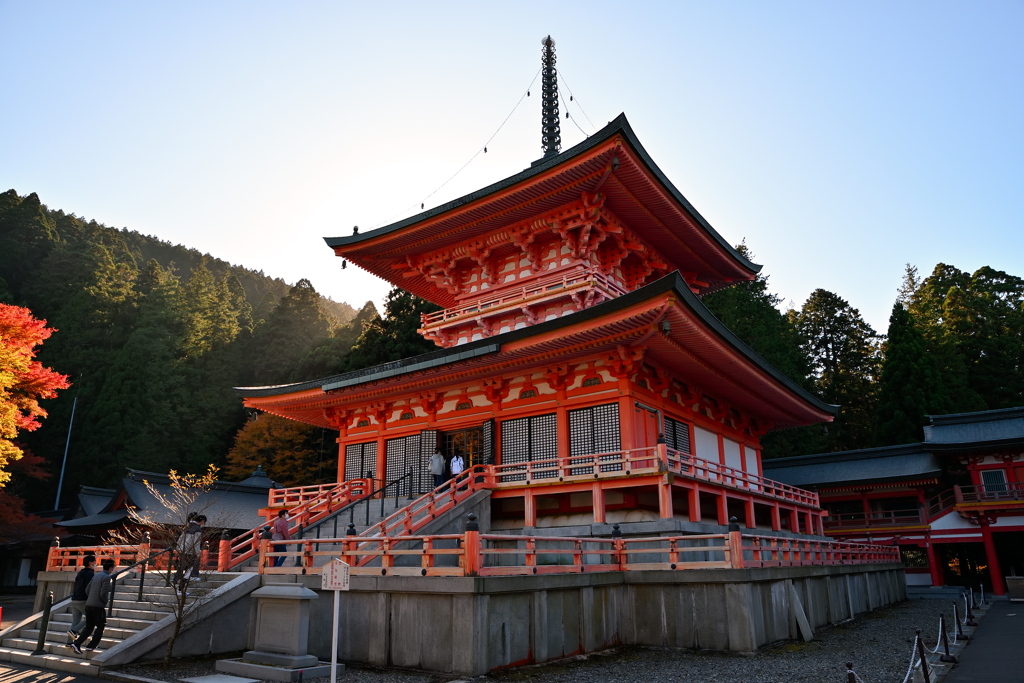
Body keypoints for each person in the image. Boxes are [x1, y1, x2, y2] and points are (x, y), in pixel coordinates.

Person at [70, 558, 114, 655]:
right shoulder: (107, 577)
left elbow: (87, 589)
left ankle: (77, 643)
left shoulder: (96, 576)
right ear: (111, 568)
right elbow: (103, 593)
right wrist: (104, 601)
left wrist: (91, 598)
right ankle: (92, 645)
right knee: (101, 625)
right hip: (98, 606)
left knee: (89, 626)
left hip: (89, 604)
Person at [67, 554, 95, 641]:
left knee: (75, 621)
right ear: (90, 563)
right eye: (94, 562)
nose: (95, 563)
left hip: (75, 598)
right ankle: (74, 631)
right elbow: (89, 588)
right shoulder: (90, 574)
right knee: (91, 618)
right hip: (83, 599)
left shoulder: (80, 573)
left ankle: (69, 642)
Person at [176, 514, 206, 591]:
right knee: (191, 567)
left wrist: (178, 548)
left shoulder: (187, 527)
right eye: (203, 522)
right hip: (190, 551)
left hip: (182, 550)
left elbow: (180, 539)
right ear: (202, 521)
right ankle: (194, 576)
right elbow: (196, 542)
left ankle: (178, 583)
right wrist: (197, 553)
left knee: (181, 567)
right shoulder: (197, 530)